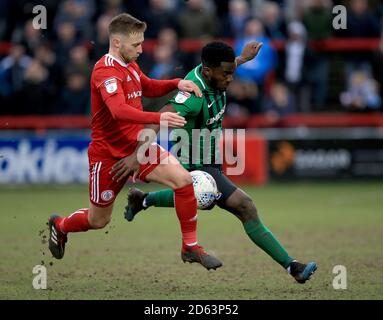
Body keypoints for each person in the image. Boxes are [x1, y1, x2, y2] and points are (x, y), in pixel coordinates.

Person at [111, 41, 317, 284]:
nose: (231, 79)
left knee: (205, 200)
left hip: (210, 158)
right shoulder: (193, 96)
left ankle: (144, 199)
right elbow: (161, 117)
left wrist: (242, 58)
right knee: (244, 206)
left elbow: (228, 67)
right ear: (208, 71)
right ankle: (293, 266)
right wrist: (138, 155)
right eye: (227, 74)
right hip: (195, 163)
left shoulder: (216, 72)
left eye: (232, 72)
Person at [47, 13, 223, 271]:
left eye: (142, 43)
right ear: (117, 43)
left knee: (184, 182)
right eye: (136, 45)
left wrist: (177, 83)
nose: (141, 49)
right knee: (98, 220)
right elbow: (118, 111)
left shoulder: (130, 64)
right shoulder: (105, 71)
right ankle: (61, 225)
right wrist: (159, 117)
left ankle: (190, 247)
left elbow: (148, 86)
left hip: (139, 146)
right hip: (108, 156)